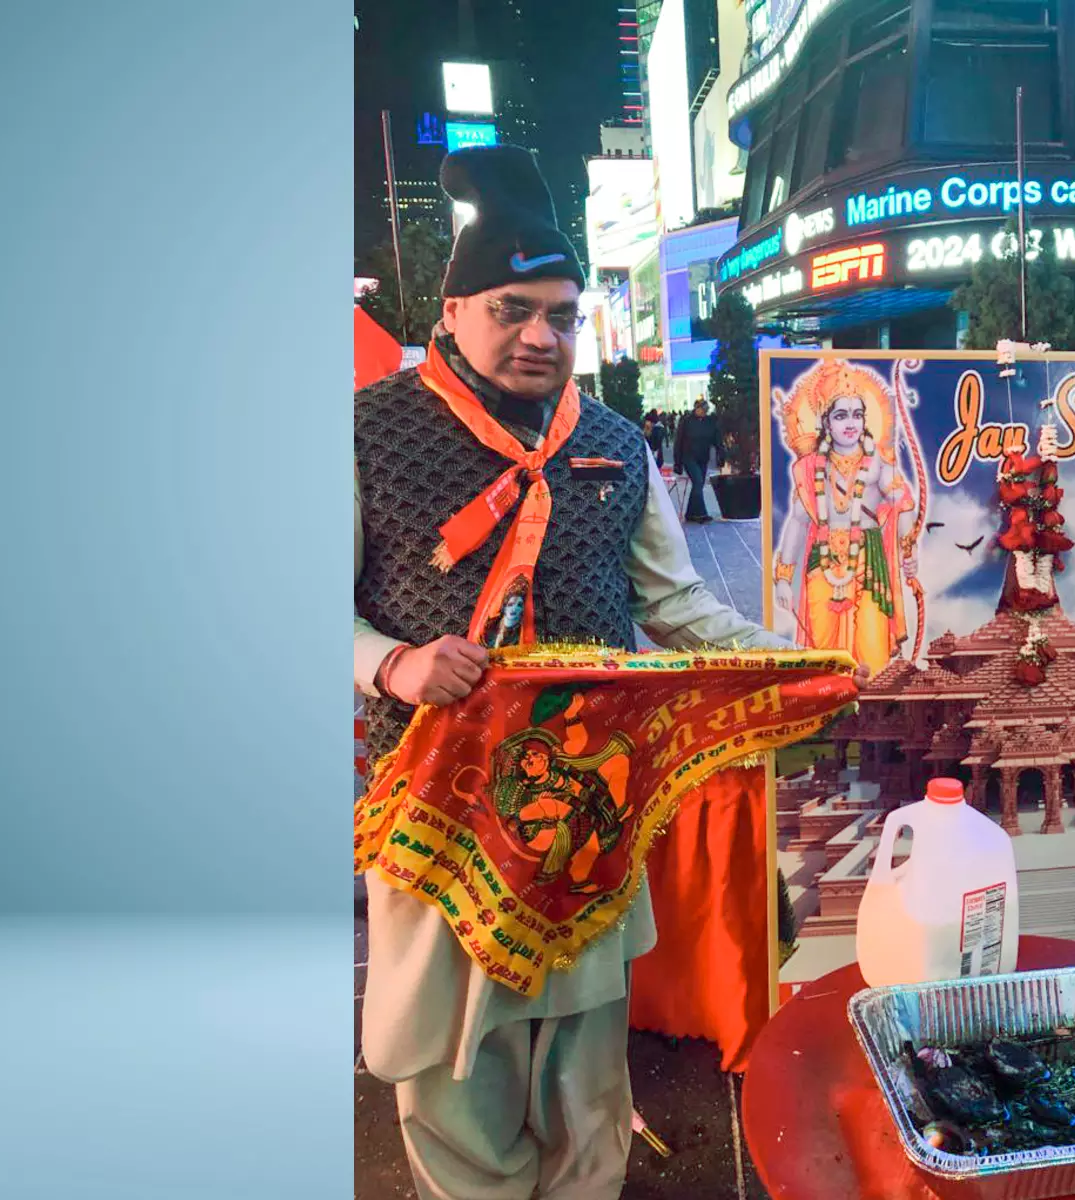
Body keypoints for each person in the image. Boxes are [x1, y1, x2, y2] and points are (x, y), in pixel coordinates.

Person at [354, 144, 792, 1200]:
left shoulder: (612, 442)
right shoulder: (367, 433)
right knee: (456, 1067)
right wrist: (397, 662)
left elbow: (676, 606)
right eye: (511, 310)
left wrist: (805, 663)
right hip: (437, 810)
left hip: (590, 804)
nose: (540, 336)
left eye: (561, 313)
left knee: (587, 1060)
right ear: (452, 311)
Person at [770, 359, 920, 676]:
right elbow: (797, 522)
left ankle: (873, 717)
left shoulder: (877, 461)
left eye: (857, 414)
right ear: (826, 422)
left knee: (871, 644)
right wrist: (783, 577)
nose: (850, 423)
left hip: (869, 560)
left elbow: (902, 504)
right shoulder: (811, 467)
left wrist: (908, 550)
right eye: (840, 415)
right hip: (822, 563)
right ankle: (830, 713)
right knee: (823, 648)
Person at [673, 397, 720, 523]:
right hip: (689, 457)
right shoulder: (687, 421)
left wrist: (721, 454)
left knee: (698, 485)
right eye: (702, 409)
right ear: (696, 409)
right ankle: (701, 513)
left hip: (703, 458)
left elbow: (716, 439)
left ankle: (690, 514)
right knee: (698, 482)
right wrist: (677, 462)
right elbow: (679, 442)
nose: (704, 412)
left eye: (706, 410)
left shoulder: (709, 422)